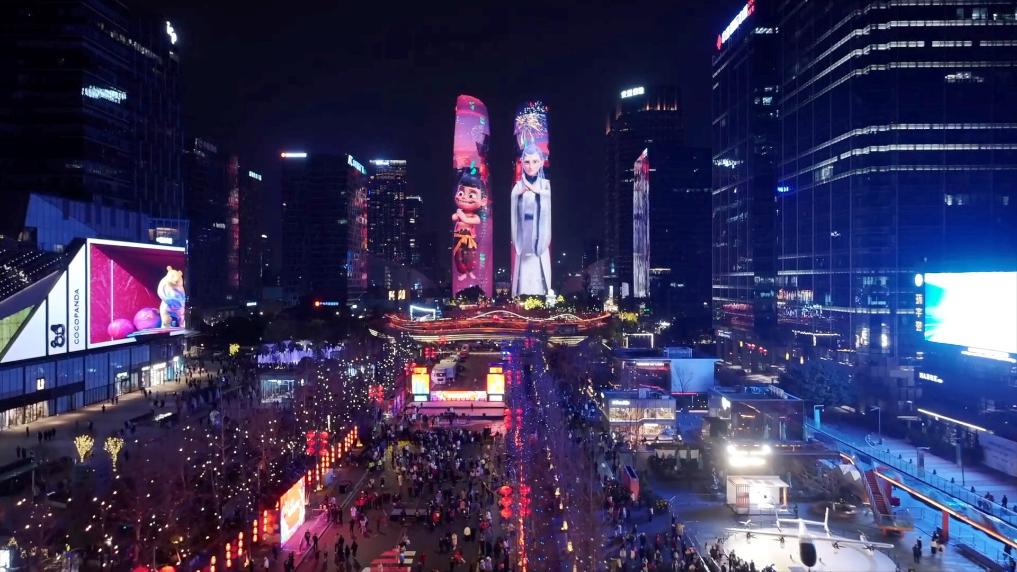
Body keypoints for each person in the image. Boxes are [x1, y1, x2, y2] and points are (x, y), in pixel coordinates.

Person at [509, 143, 552, 297]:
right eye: (527, 162)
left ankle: (540, 294)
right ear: (522, 163)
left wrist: (537, 192)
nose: (531, 166)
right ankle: (521, 294)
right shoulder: (517, 186)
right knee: (523, 264)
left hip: (539, 232)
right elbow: (513, 204)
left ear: (541, 163)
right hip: (524, 232)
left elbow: (548, 202)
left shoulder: (546, 185)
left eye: (535, 161)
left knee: (538, 261)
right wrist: (517, 195)